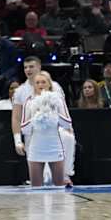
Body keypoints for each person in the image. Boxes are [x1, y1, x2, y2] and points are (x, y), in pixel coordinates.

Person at [12, 56, 75, 186]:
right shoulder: (21, 93)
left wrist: (69, 130)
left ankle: (65, 175)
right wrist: (18, 140)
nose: (28, 70)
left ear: (39, 67)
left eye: (31, 66)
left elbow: (66, 119)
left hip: (55, 138)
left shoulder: (56, 90)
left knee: (67, 140)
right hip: (33, 139)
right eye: (25, 67)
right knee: (38, 182)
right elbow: (17, 118)